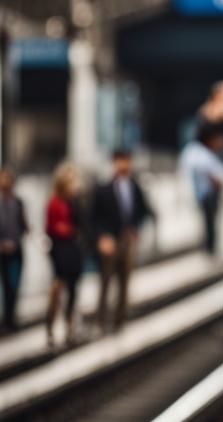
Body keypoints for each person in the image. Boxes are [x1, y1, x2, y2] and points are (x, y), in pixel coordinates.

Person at [91, 149, 154, 332]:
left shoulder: (135, 187)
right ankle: (101, 319)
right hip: (110, 239)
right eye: (120, 161)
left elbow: (143, 210)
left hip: (127, 239)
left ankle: (120, 320)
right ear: (114, 163)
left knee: (125, 281)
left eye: (126, 161)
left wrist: (136, 227)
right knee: (105, 280)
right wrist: (102, 237)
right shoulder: (103, 188)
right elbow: (95, 216)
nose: (123, 165)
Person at [45, 162, 85, 348]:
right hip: (61, 249)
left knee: (73, 290)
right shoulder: (54, 202)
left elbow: (82, 223)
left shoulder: (75, 201)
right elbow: (52, 227)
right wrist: (68, 230)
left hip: (73, 249)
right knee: (58, 287)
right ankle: (51, 327)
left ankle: (70, 326)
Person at [181, 124, 223, 256]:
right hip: (205, 195)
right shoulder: (200, 153)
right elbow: (213, 176)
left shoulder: (193, 152)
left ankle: (209, 249)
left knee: (208, 224)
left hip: (202, 194)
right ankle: (209, 250)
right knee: (209, 225)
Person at [0, 167, 29, 331]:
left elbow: (24, 226)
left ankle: (11, 318)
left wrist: (14, 241)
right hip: (1, 251)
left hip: (16, 250)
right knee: (5, 285)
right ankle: (6, 318)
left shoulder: (18, 202)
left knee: (14, 284)